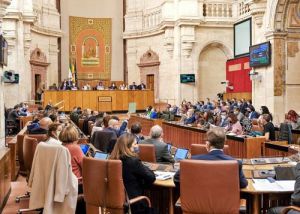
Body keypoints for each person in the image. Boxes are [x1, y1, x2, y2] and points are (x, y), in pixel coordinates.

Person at [173, 127, 248, 189]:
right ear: (223, 144)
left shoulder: (192, 160)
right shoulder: (235, 163)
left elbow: (176, 179)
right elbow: (243, 184)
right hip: (225, 204)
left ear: (208, 144)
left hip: (196, 203)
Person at [109, 133, 156, 214]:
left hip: (115, 203)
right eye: (135, 144)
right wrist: (145, 167)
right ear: (128, 147)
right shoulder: (133, 161)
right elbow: (151, 177)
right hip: (134, 205)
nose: (137, 146)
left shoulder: (111, 160)